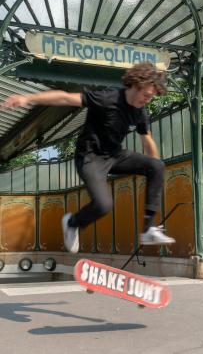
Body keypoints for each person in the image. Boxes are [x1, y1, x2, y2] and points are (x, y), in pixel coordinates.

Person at [1, 62, 175, 253]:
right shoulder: (107, 97)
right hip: (89, 157)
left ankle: (149, 229)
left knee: (157, 165)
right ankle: (72, 222)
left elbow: (147, 140)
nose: (148, 100)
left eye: (151, 97)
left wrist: (154, 174)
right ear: (136, 84)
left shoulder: (140, 111)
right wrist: (27, 99)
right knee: (103, 205)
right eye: (147, 95)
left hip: (115, 155)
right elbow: (66, 98)